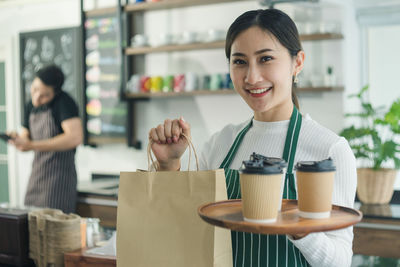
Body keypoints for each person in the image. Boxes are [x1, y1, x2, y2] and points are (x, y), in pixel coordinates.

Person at [148, 8, 356, 267]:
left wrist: (301, 230)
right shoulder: (220, 143)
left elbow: (340, 262)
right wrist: (169, 166)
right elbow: (185, 230)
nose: (251, 77)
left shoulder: (330, 150)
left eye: (266, 58)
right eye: (240, 61)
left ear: (298, 62)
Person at [9, 64, 82, 213]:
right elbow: (25, 137)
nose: (37, 98)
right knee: (29, 221)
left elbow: (75, 137)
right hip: (37, 176)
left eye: (44, 95)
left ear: (55, 92)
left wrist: (33, 145)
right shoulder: (31, 105)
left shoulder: (64, 102)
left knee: (54, 227)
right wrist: (18, 140)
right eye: (34, 89)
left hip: (59, 180)